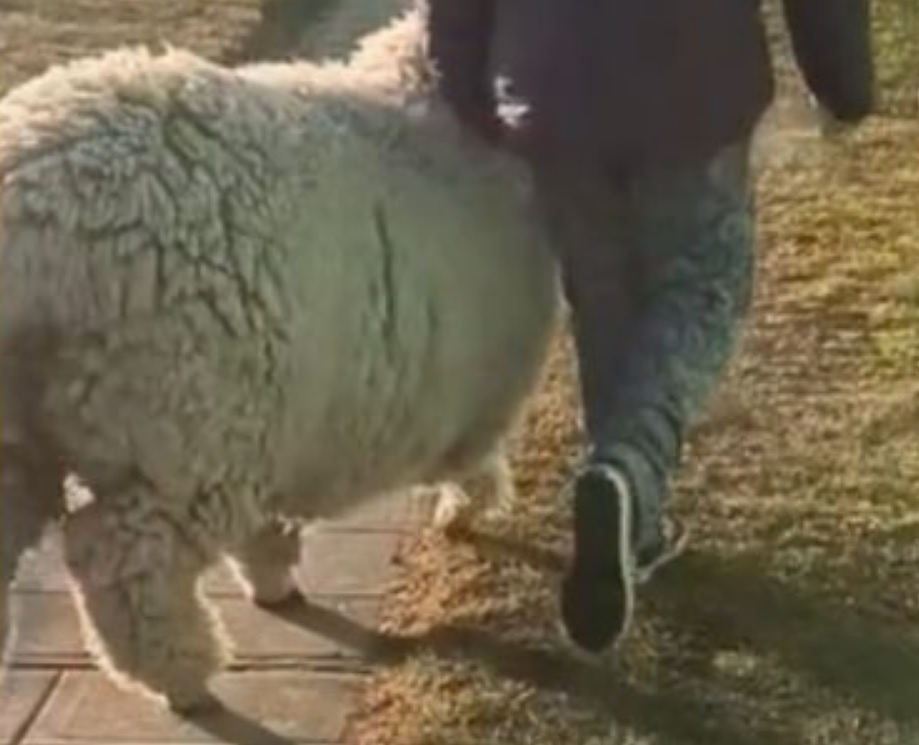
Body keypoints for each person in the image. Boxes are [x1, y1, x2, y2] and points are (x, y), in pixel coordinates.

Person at [425, 0, 875, 656]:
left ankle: (631, 520)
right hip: (691, 88)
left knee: (605, 302)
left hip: (552, 93)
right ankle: (627, 471)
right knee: (703, 290)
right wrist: (843, 85)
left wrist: (474, 93)